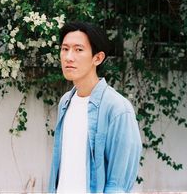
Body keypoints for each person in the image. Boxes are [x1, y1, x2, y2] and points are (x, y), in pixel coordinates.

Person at [48, 21, 142, 193]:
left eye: (78, 49)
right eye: (64, 49)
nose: (69, 57)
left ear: (97, 58)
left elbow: (118, 185)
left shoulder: (118, 109)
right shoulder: (65, 102)